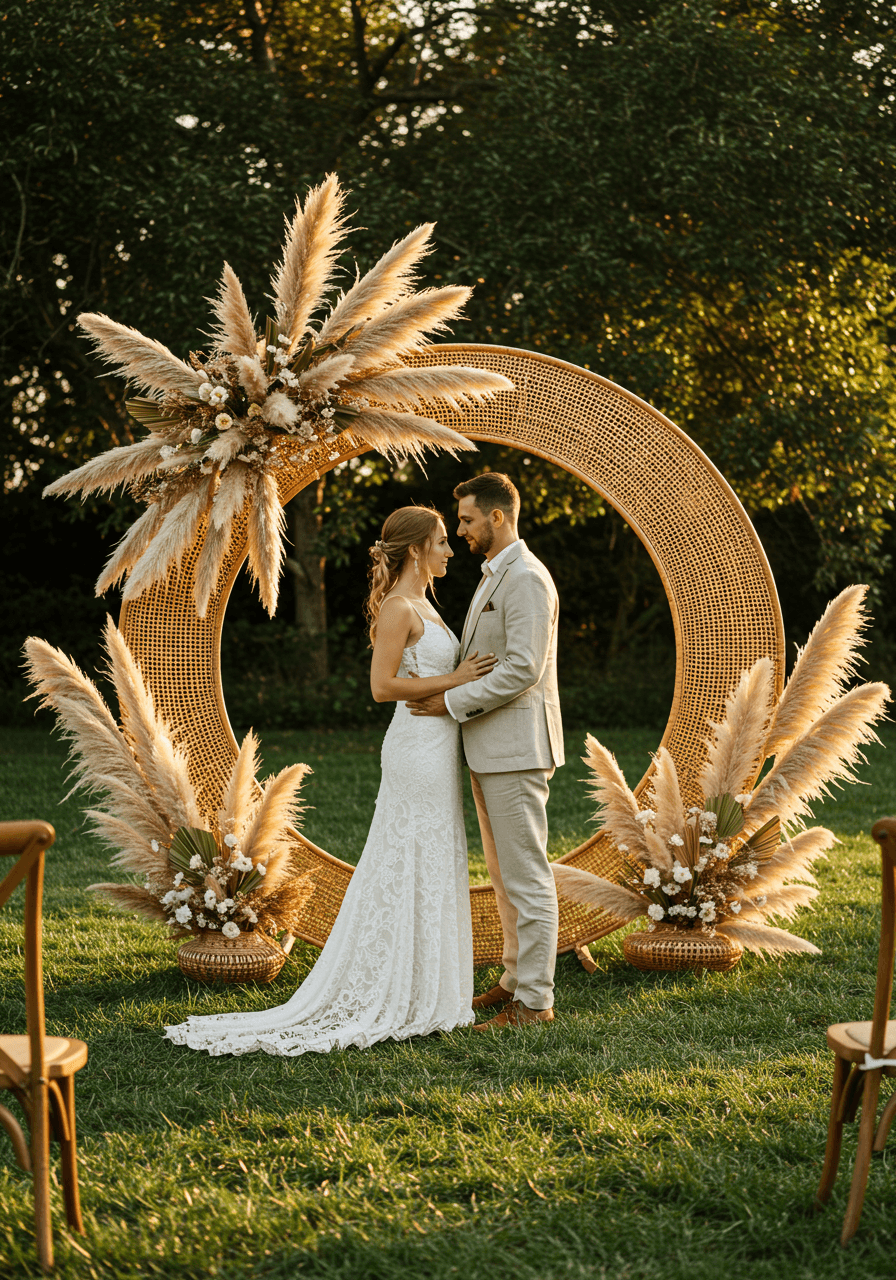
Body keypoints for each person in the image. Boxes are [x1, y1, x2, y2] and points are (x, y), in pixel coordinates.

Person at [165, 506, 496, 1056]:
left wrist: (454, 691)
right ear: (415, 549)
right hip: (414, 751)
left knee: (435, 856)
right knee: (409, 854)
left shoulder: (427, 605)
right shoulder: (397, 608)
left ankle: (427, 987)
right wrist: (458, 678)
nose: (448, 548)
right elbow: (381, 687)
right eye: (440, 541)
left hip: (439, 748)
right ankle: (391, 988)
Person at [408, 473, 564, 1030]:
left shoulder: (524, 579)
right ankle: (513, 981)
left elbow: (524, 669)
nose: (461, 531)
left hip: (517, 749)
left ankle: (536, 1002)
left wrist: (450, 702)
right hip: (491, 748)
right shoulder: (496, 576)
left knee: (526, 875)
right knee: (504, 874)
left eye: (468, 520)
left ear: (497, 517)